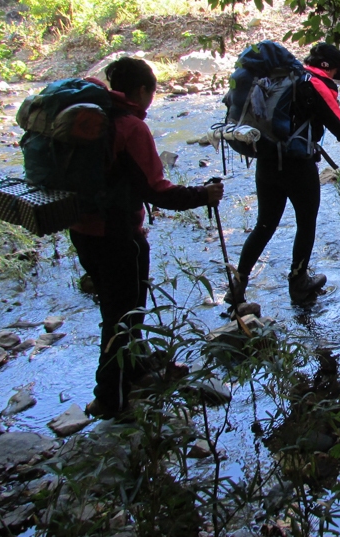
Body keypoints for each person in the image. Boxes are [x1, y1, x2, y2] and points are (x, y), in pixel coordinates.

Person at [69, 57, 224, 420]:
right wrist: (203, 195)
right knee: (121, 317)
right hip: (119, 235)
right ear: (141, 91)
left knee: (118, 309)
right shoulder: (130, 127)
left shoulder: (96, 118)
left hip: (83, 231)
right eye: (152, 93)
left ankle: (135, 370)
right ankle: (109, 399)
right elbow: (157, 191)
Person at [225, 42, 340, 307]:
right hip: (297, 166)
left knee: (264, 225)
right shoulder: (317, 85)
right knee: (306, 222)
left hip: (266, 161)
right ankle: (299, 282)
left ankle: (237, 286)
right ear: (331, 68)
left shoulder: (288, 78)